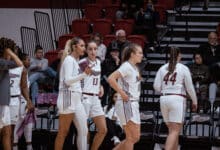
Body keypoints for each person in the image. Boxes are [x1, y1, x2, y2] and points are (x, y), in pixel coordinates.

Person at [153, 47, 198, 150]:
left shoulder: (162, 68)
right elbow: (190, 87)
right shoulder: (183, 68)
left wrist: (166, 89)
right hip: (177, 99)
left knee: (172, 131)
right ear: (179, 56)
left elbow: (156, 86)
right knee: (174, 131)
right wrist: (195, 101)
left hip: (164, 99)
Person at [55, 37, 92, 150]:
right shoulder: (69, 60)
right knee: (63, 132)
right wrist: (84, 75)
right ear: (74, 47)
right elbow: (67, 80)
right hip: (67, 97)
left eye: (84, 46)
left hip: (76, 99)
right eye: (82, 46)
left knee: (84, 130)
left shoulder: (77, 62)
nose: (84, 48)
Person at [108, 43, 143, 150]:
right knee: (131, 137)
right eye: (140, 53)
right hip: (126, 103)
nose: (142, 55)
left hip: (133, 103)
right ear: (132, 54)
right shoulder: (126, 66)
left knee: (136, 137)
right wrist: (122, 93)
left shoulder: (135, 68)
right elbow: (111, 78)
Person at [79, 41, 107, 150]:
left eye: (95, 49)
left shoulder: (99, 62)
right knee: (84, 130)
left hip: (95, 98)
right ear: (86, 50)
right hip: (84, 97)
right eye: (90, 49)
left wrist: (100, 86)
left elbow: (96, 78)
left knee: (103, 129)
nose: (93, 51)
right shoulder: (82, 63)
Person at [0, 37, 23, 150]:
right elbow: (19, 63)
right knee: (4, 133)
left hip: (5, 103)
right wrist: (9, 52)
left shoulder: (4, 62)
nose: (13, 53)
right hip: (1, 103)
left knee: (7, 133)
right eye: (11, 50)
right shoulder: (1, 62)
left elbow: (19, 64)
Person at [12, 53, 35, 150]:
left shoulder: (25, 71)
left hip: (25, 102)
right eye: (28, 59)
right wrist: (27, 102)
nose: (29, 61)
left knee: (28, 127)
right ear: (22, 60)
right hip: (20, 102)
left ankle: (29, 147)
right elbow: (22, 89)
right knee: (16, 129)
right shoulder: (20, 71)